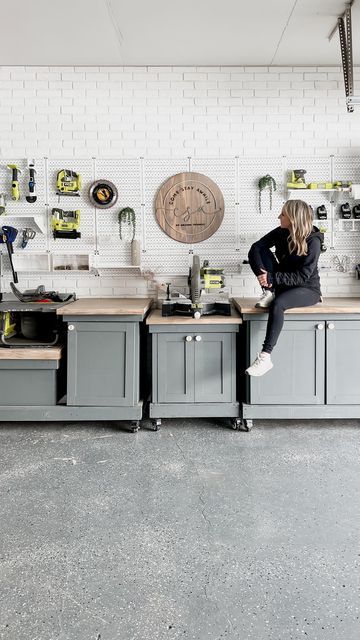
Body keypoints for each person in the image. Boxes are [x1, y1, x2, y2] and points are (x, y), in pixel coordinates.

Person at [246, 199, 323, 377]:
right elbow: (257, 247)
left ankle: (265, 357)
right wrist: (265, 279)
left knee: (278, 304)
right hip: (282, 283)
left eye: (283, 214)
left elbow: (303, 276)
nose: (279, 216)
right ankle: (269, 291)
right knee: (257, 249)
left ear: (293, 218)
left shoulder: (313, 241)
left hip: (307, 289)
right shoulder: (282, 232)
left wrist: (272, 277)